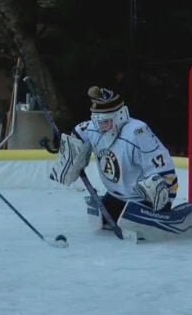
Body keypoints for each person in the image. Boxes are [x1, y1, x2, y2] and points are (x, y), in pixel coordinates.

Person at [50, 86, 178, 228]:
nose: (102, 126)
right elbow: (74, 139)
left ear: (120, 116)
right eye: (99, 121)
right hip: (116, 197)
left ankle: (156, 214)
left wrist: (165, 203)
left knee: (155, 183)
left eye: (106, 121)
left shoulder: (138, 132)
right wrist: (61, 142)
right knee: (101, 221)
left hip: (140, 199)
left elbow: (164, 167)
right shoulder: (92, 128)